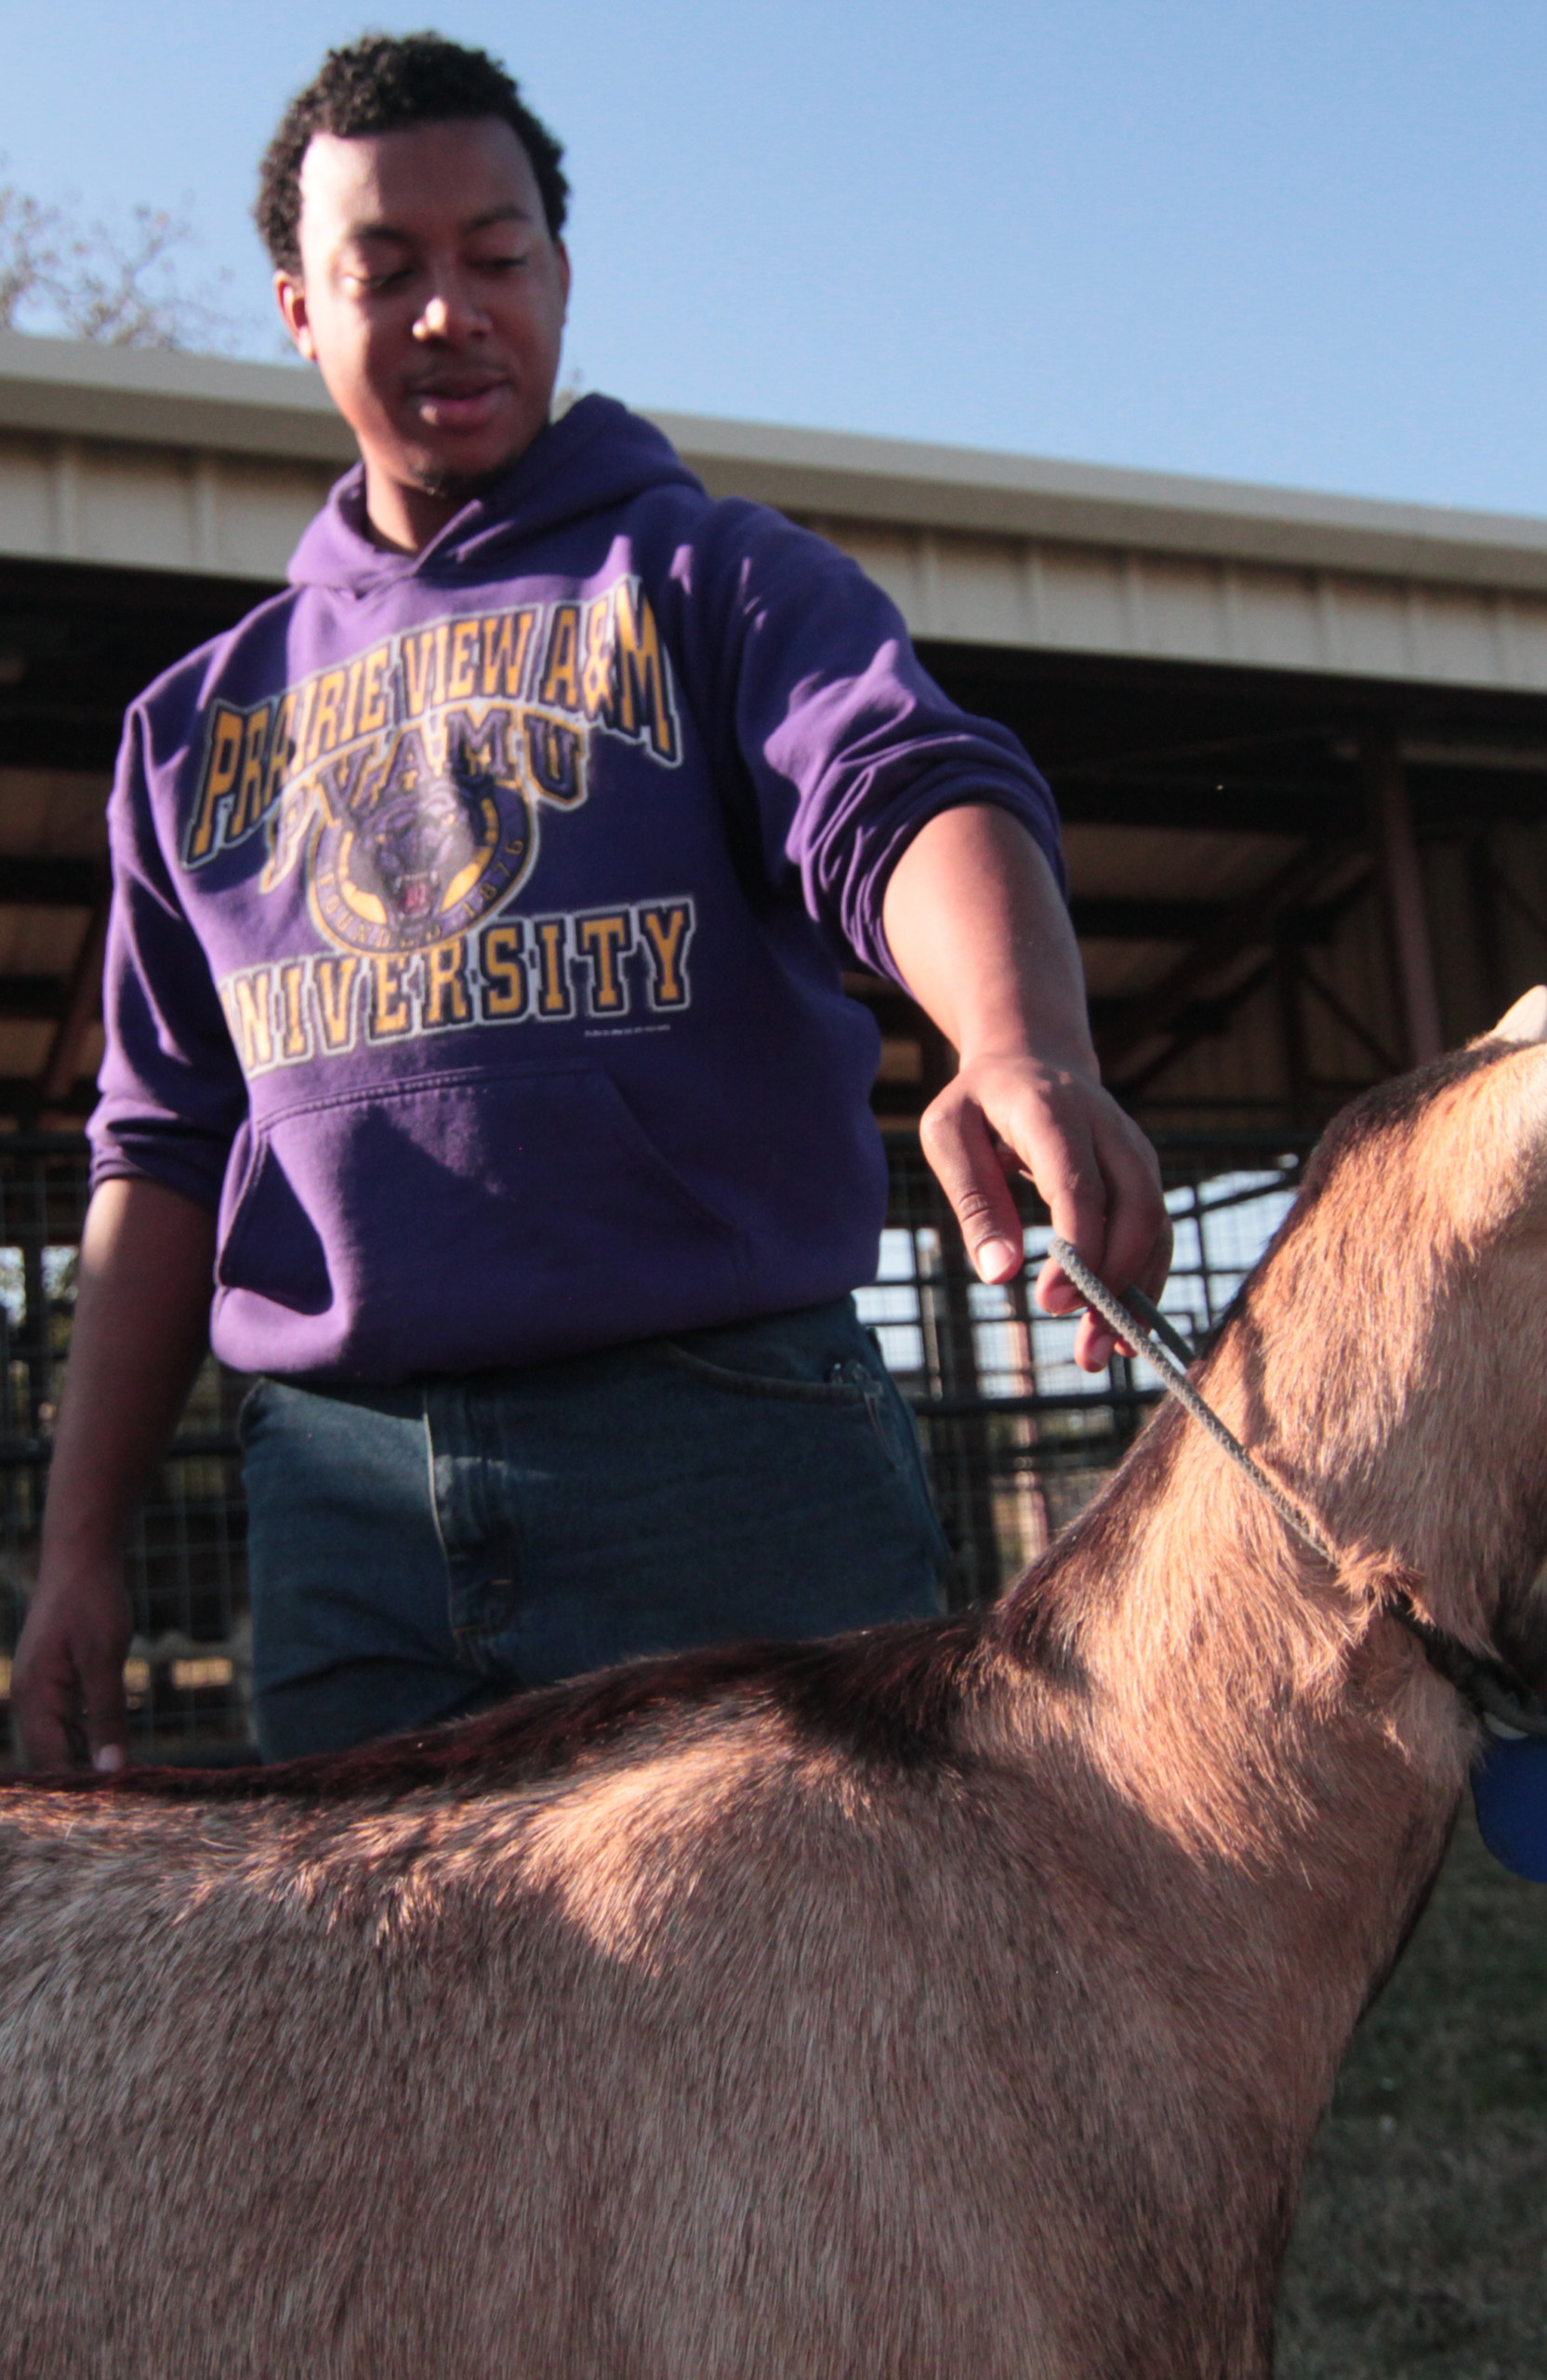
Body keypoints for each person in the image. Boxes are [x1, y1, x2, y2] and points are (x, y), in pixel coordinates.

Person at [11, 33, 1169, 1770]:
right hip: (341, 1493)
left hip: (718, 1450)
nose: (445, 313)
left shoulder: (712, 579)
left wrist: (1018, 1041)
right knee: (381, 2036)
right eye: (381, 271)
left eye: (495, 258)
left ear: (560, 277)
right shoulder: (193, 726)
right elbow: (164, 1145)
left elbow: (905, 789)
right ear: (296, 310)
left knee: (816, 2028)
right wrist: (81, 1548)